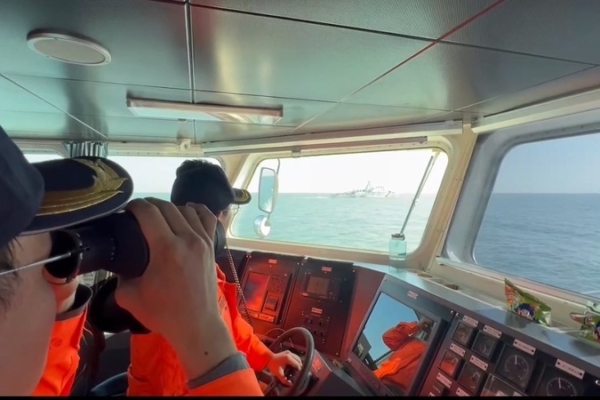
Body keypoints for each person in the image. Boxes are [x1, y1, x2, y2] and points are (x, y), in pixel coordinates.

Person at [0, 126, 263, 396]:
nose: (59, 289)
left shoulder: (205, 274)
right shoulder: (176, 282)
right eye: (44, 265)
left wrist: (266, 358)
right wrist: (211, 343)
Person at [126, 159, 302, 396]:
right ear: (218, 218)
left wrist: (268, 357)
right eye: (230, 212)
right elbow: (173, 386)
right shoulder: (173, 287)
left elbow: (230, 328)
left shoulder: (201, 270)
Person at [373, 317, 433, 394]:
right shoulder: (407, 342)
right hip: (374, 380)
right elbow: (388, 337)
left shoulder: (436, 355)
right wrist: (417, 326)